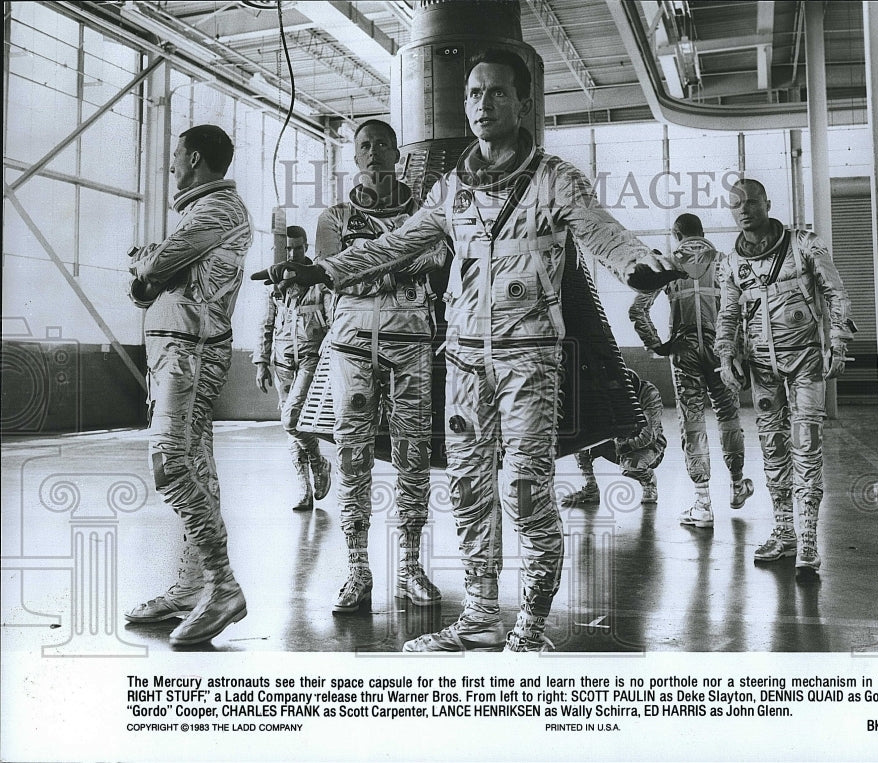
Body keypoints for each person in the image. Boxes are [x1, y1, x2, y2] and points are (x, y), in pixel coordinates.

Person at [268, 49, 684, 651]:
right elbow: (397, 247)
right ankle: (481, 617)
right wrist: (322, 272)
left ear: (523, 104)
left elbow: (600, 232)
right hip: (463, 358)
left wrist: (638, 266)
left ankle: (531, 629)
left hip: (528, 359)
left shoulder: (555, 179)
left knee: (525, 488)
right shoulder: (450, 190)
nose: (483, 105)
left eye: (496, 93)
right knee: (466, 487)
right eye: (473, 95)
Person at [124, 124, 253, 646]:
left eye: (176, 154)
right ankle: (190, 588)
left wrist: (145, 264)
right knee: (195, 462)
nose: (172, 163)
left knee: (171, 462)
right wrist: (151, 273)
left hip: (189, 349)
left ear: (194, 157)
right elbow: (152, 282)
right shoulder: (199, 213)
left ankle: (222, 584)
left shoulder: (218, 209)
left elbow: (155, 265)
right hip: (177, 347)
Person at [312, 119, 446, 613]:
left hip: (411, 339)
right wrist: (396, 262)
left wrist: (362, 261)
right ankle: (356, 569)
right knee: (353, 455)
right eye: (364, 145)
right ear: (354, 155)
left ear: (396, 151)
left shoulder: (423, 210)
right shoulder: (334, 216)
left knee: (413, 454)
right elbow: (333, 275)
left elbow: (435, 255)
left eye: (381, 144)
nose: (373, 153)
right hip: (351, 343)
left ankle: (410, 565)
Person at [716, 178, 854, 570]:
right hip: (762, 367)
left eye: (752, 202)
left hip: (806, 361)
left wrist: (838, 342)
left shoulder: (804, 245)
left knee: (806, 446)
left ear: (767, 202)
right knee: (773, 450)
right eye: (736, 205)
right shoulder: (731, 263)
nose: (744, 210)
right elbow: (727, 315)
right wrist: (727, 357)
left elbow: (836, 293)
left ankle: (809, 538)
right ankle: (784, 531)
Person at [628, 213, 754, 529]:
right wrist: (743, 353)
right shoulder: (726, 261)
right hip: (720, 350)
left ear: (676, 235)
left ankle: (702, 504)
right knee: (729, 416)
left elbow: (637, 310)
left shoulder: (668, 264)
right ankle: (737, 485)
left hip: (683, 352)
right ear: (702, 232)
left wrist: (657, 345)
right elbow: (749, 308)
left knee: (693, 421)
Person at [253, 225, 333, 512]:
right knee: (290, 432)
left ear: (306, 247)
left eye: (297, 248)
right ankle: (304, 490)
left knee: (292, 420)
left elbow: (332, 320)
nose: (293, 253)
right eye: (288, 249)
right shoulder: (276, 285)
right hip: (282, 362)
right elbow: (266, 324)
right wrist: (261, 362)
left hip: (311, 359)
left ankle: (319, 462)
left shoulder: (319, 280)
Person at [562, 368, 667, 507]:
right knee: (580, 444)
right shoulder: (610, 392)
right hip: (619, 442)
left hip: (648, 447)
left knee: (631, 467)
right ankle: (590, 488)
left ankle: (649, 482)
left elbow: (648, 437)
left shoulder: (649, 395)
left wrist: (623, 445)